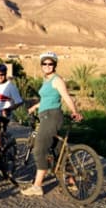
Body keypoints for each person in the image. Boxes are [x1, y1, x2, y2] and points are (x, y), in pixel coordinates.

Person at [21, 51, 83, 196]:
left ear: (54, 65)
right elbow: (48, 98)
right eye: (45, 63)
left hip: (51, 116)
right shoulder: (46, 81)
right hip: (46, 115)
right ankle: (71, 181)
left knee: (38, 150)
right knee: (58, 150)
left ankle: (37, 186)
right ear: (41, 65)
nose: (47, 66)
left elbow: (66, 96)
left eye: (50, 63)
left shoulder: (57, 80)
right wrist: (35, 107)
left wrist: (74, 111)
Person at [0, 63, 23, 133]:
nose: (0, 77)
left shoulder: (11, 87)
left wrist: (8, 109)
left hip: (4, 116)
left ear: (5, 74)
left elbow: (19, 101)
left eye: (2, 74)